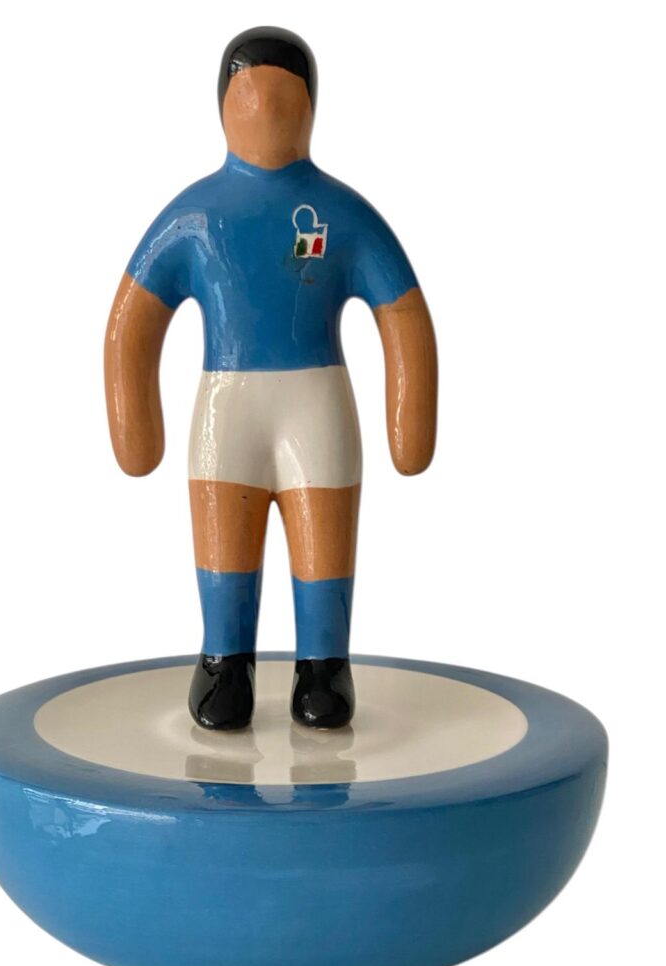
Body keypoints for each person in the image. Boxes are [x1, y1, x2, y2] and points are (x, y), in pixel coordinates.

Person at [104, 27, 438, 731]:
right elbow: (132, 323)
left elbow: (403, 314)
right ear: (222, 106)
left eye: (281, 95)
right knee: (224, 535)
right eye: (248, 93)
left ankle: (324, 665)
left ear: (311, 107)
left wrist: (411, 422)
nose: (264, 107)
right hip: (228, 405)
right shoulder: (195, 217)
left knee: (324, 538)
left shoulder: (341, 215)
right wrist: (134, 422)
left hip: (316, 401)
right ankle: (224, 661)